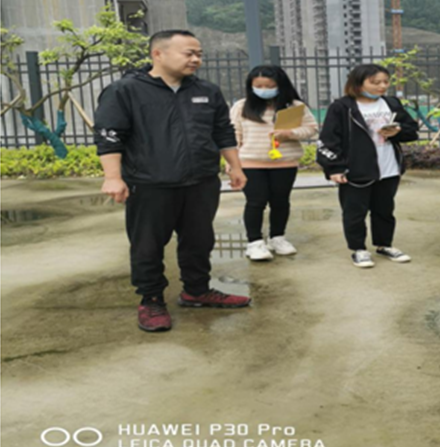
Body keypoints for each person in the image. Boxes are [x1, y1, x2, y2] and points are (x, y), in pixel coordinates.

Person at [94, 30, 251, 333]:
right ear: (158, 54)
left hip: (201, 181)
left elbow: (222, 131)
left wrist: (235, 167)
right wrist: (113, 177)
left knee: (199, 240)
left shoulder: (207, 91)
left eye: (199, 54)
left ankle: (197, 290)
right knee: (148, 245)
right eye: (188, 53)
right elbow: (109, 136)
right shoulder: (125, 91)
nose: (196, 59)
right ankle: (151, 299)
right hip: (150, 183)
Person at [317, 64, 419, 268]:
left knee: (384, 210)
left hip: (388, 167)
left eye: (385, 82)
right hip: (355, 169)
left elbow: (411, 130)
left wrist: (397, 131)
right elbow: (328, 140)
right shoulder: (342, 107)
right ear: (358, 83)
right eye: (375, 82)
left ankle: (384, 245)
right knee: (355, 211)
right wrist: (334, 168)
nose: (382, 86)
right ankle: (358, 249)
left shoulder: (391, 103)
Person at [229, 65, 318, 261]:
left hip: (285, 162)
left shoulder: (294, 106)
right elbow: (234, 135)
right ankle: (254, 242)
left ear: (280, 85)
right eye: (258, 86)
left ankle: (277, 237)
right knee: (256, 202)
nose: (264, 90)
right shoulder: (241, 107)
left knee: (280, 201)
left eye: (269, 86)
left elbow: (311, 128)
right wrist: (232, 164)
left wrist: (290, 134)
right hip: (250, 163)